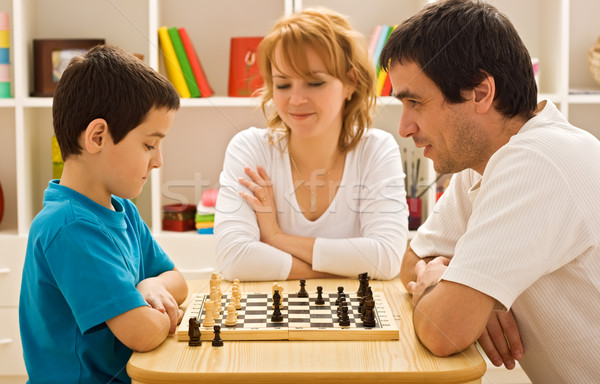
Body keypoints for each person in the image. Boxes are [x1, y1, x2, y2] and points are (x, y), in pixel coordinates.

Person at [379, 0, 600, 382]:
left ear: (481, 93)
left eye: (415, 102)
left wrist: (450, 291)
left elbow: (440, 331)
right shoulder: (486, 160)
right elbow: (410, 261)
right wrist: (478, 296)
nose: (404, 127)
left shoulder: (538, 161)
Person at [19, 45, 188, 384]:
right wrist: (164, 313)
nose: (158, 162)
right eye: (149, 144)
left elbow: (177, 282)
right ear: (97, 136)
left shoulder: (123, 210)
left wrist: (149, 285)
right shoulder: (69, 227)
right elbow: (143, 334)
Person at [214, 8, 408, 282]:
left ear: (351, 83)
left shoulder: (375, 149)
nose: (295, 100)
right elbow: (233, 259)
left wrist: (276, 238)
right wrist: (342, 270)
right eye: (282, 85)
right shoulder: (250, 148)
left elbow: (387, 259)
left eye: (315, 83)